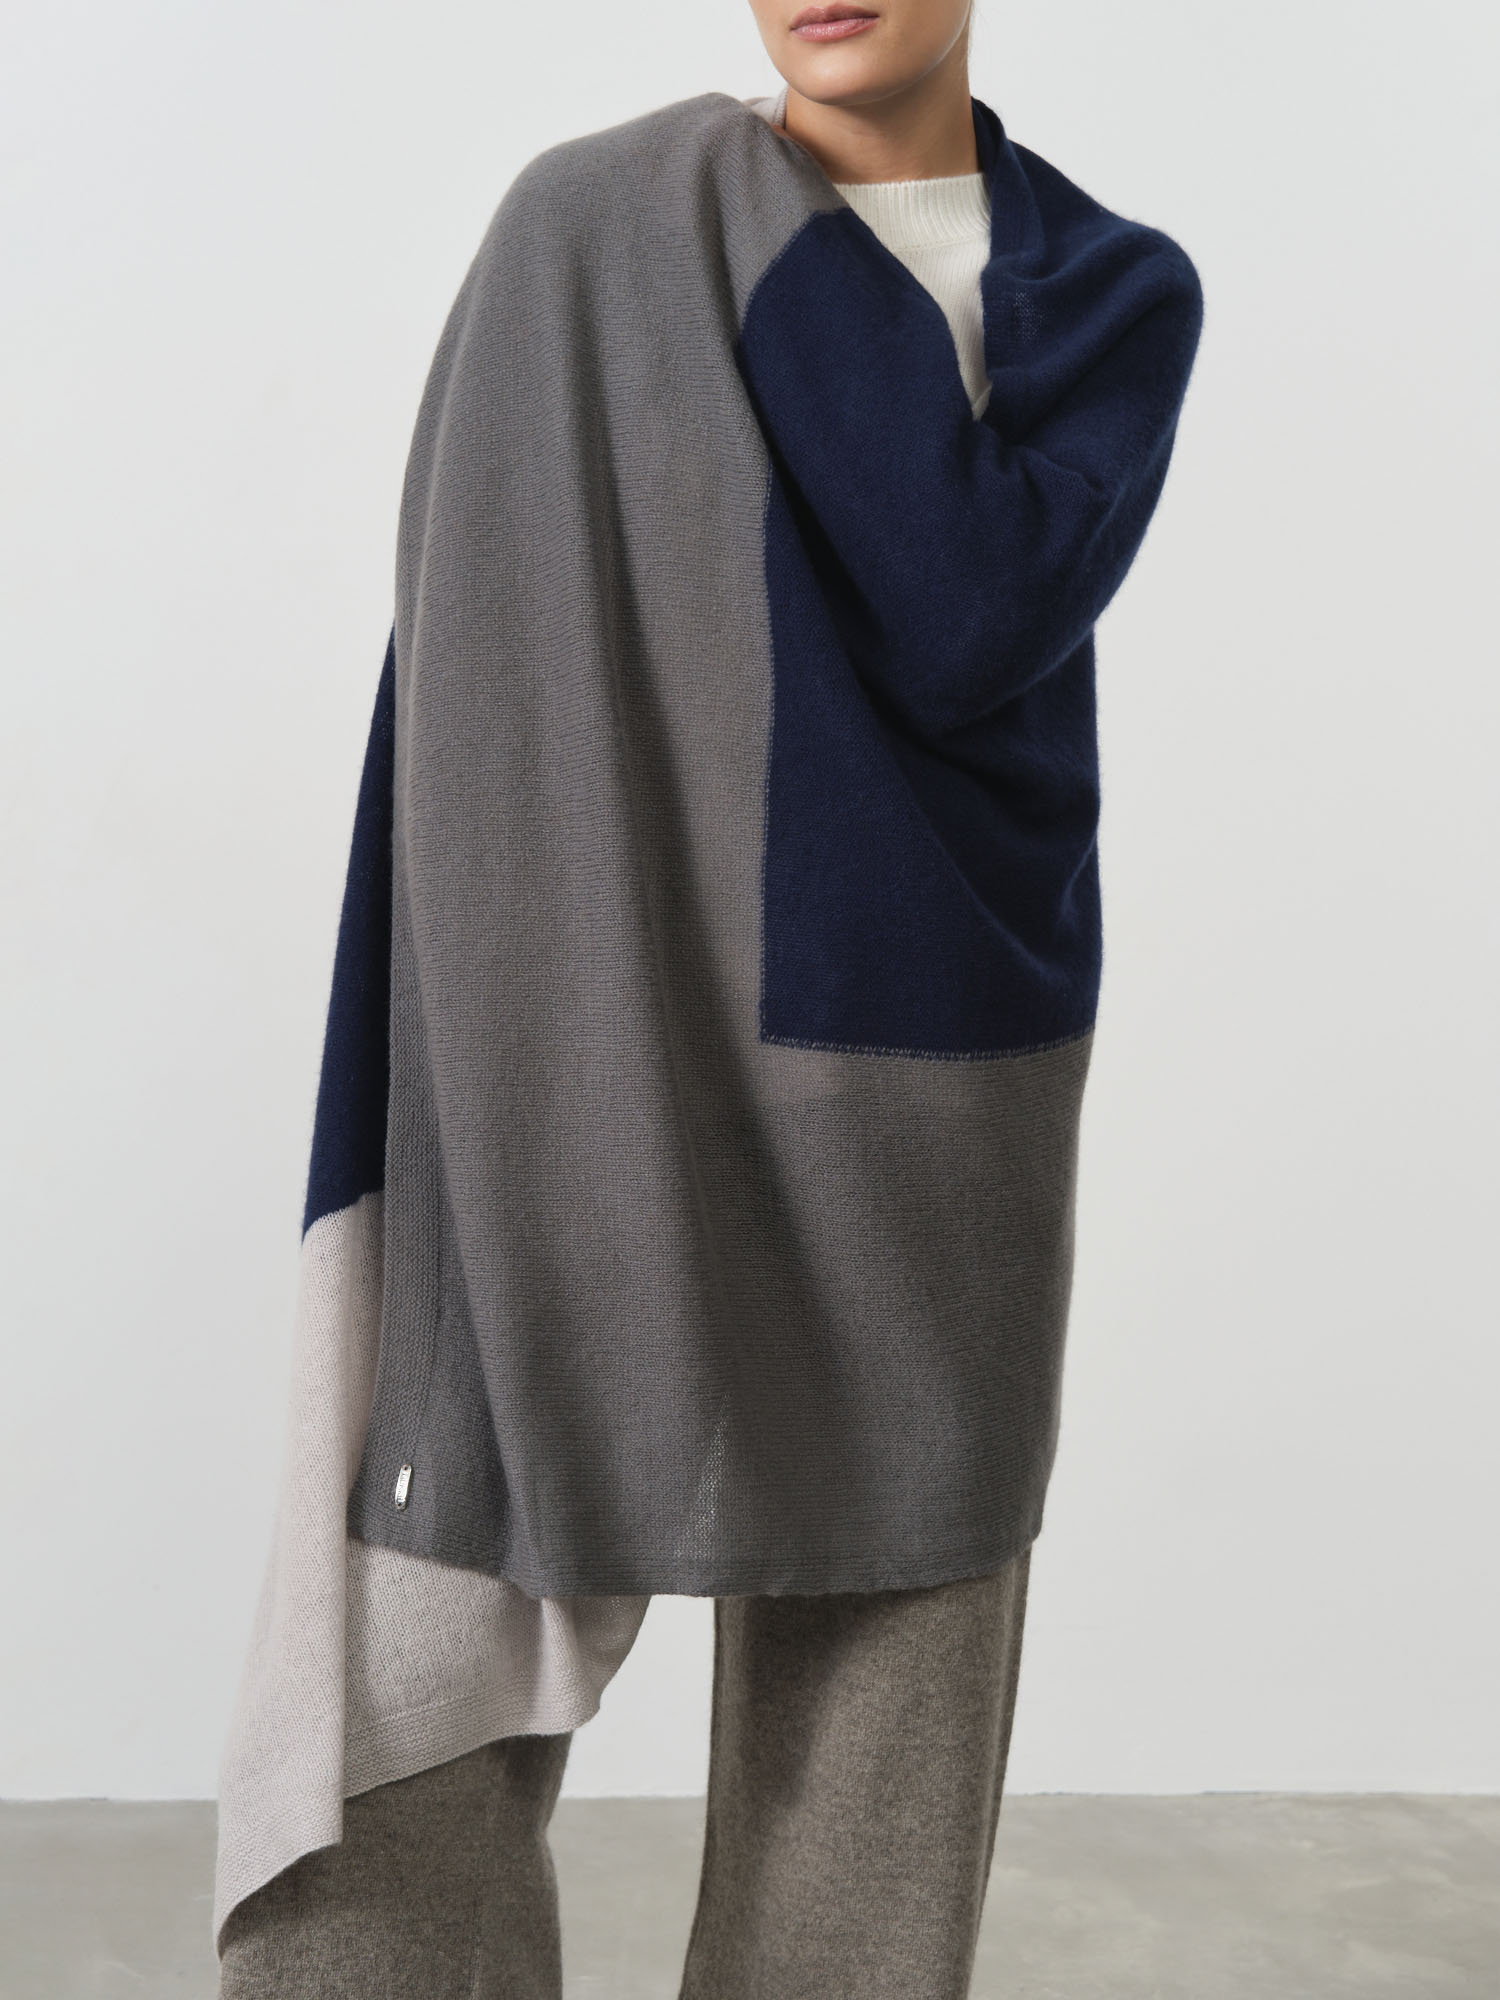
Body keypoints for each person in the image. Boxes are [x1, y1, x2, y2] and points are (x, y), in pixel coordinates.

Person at [214, 3, 1204, 1994]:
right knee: (411, 1674)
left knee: (872, 1778)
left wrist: (763, 215)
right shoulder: (590, 222)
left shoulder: (1111, 287)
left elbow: (968, 599)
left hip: (930, 1089)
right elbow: (461, 657)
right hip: (578, 1054)